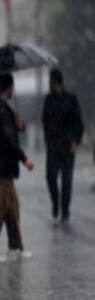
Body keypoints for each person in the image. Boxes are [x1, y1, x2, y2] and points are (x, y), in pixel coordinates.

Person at [0, 73, 34, 264]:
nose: (14, 90)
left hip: (3, 168)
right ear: (8, 87)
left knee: (13, 208)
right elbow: (9, 140)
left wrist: (18, 125)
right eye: (12, 86)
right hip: (1, 168)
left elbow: (11, 131)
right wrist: (25, 159)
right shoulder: (0, 109)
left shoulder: (0, 108)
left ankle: (15, 247)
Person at [42, 69, 84, 222]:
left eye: (50, 80)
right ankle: (56, 201)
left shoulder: (71, 99)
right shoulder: (48, 100)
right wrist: (48, 140)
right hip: (53, 146)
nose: (48, 83)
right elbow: (45, 121)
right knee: (50, 176)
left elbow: (78, 123)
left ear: (55, 81)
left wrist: (75, 141)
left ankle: (65, 210)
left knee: (67, 180)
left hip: (67, 145)